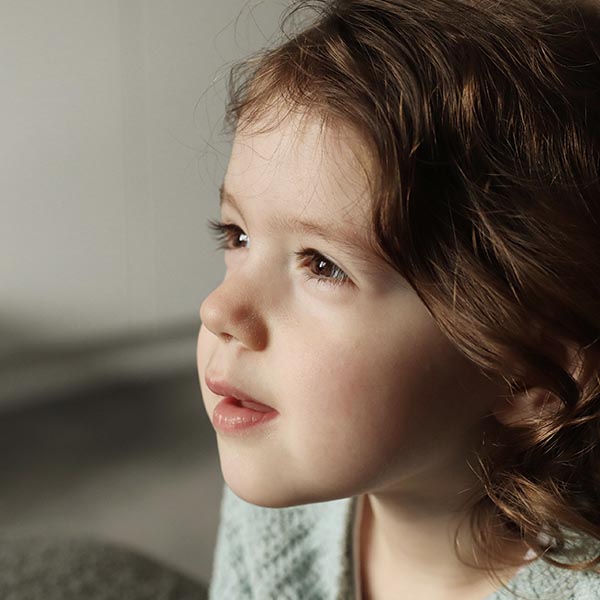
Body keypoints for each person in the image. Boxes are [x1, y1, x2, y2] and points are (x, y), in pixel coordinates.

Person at [196, 0, 600, 598]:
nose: (218, 311)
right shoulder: (280, 496)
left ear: (523, 375)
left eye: (323, 265)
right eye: (238, 235)